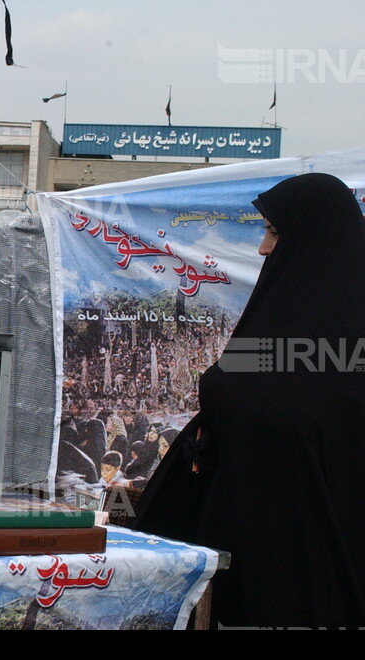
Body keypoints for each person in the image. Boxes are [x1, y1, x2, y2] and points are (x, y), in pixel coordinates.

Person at [134, 173, 365, 628]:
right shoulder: (275, 339)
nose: (263, 248)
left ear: (310, 239)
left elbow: (248, 403)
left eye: (274, 231)